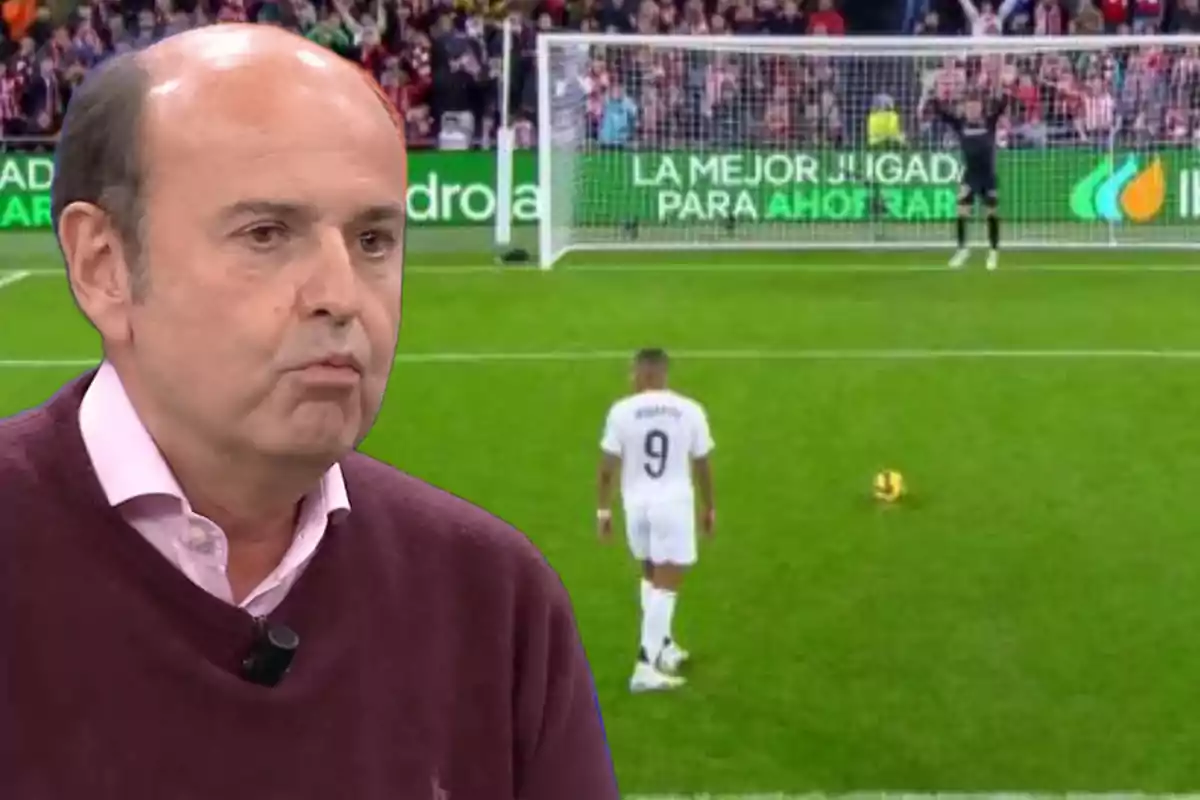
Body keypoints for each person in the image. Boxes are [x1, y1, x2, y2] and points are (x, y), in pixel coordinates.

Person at [0, 24, 618, 800]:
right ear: (105, 266)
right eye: (267, 233)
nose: (340, 293)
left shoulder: (496, 600)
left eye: (372, 239)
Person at [596, 348, 715, 693]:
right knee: (668, 583)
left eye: (632, 372)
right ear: (663, 374)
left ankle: (664, 647)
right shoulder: (689, 409)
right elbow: (703, 462)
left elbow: (606, 466)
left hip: (636, 507)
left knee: (651, 573)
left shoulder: (621, 410)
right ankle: (645, 666)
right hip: (672, 506)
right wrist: (710, 507)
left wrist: (603, 510)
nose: (630, 378)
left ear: (644, 373)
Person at [931, 88, 1010, 270]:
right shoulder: (961, 124)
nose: (972, 111)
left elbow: (1001, 107)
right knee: (961, 211)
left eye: (975, 107)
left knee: (991, 213)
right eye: (969, 108)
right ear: (965, 109)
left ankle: (993, 251)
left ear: (981, 108)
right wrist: (935, 98)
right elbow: (943, 114)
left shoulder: (989, 123)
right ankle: (962, 249)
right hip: (970, 176)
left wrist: (1004, 91)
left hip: (988, 176)